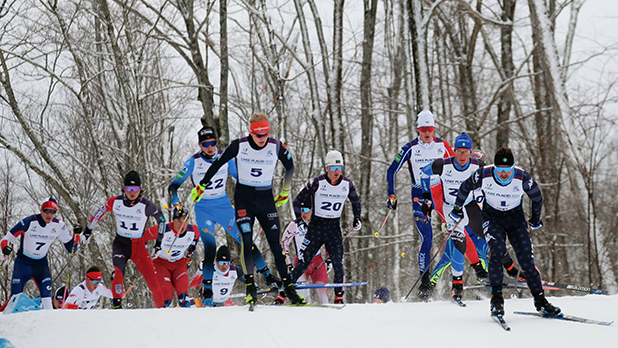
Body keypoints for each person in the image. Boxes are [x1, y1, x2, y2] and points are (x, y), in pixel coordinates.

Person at [191, 113, 304, 306]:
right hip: (244, 199)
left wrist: (285, 190)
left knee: (276, 246)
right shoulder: (238, 145)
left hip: (266, 199)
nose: (262, 138)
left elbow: (290, 166)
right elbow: (218, 163)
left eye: (265, 134)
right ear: (251, 133)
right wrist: (202, 185)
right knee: (246, 241)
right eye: (258, 134)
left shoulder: (275, 146)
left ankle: (289, 289)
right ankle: (251, 288)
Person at [169, 126, 278, 307]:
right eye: (205, 144)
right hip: (203, 209)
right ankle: (208, 292)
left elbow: (241, 177)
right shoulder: (193, 162)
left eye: (212, 143)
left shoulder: (225, 157)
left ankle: (267, 276)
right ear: (200, 145)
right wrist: (177, 204)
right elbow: (173, 187)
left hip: (223, 206)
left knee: (246, 240)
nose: (210, 147)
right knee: (210, 248)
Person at [452, 147, 561, 318]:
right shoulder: (484, 174)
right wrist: (457, 208)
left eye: (507, 170)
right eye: (500, 170)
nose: (503, 174)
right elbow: (465, 187)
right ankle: (496, 301)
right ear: (494, 167)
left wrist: (535, 219)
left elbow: (537, 197)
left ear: (513, 167)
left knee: (526, 261)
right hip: (492, 217)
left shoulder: (521, 176)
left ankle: (541, 302)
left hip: (515, 219)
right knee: (496, 251)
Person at [386, 110, 454, 300]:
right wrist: (391, 194)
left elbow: (459, 164)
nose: (427, 132)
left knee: (458, 232)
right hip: (420, 195)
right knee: (427, 237)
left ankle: (459, 280)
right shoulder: (410, 147)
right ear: (418, 129)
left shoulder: (443, 145)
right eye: (423, 129)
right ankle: (425, 284)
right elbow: (391, 170)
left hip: (440, 194)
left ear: (434, 129)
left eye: (430, 128)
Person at [420, 133, 487, 302]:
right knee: (450, 255)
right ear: (455, 151)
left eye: (468, 153)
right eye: (460, 151)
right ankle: (444, 287)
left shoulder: (480, 170)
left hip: (471, 216)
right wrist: (437, 212)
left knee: (485, 247)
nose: (464, 157)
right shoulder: (444, 167)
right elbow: (434, 193)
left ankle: (483, 283)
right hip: (453, 214)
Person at [83, 171, 165, 309]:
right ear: (124, 189)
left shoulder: (146, 205)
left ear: (140, 190)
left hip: (138, 247)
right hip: (121, 243)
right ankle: (117, 307)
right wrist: (88, 230)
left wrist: (158, 244)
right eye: (128, 189)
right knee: (118, 274)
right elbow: (99, 212)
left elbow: (161, 220)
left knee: (153, 282)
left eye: (135, 189)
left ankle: (162, 311)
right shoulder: (116, 202)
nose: (132, 192)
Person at [290, 150, 362, 304]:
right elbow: (297, 201)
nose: (337, 172)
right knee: (303, 261)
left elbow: (355, 202)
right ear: (327, 167)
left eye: (339, 168)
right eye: (333, 168)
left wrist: (357, 218)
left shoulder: (347, 184)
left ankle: (338, 297)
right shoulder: (317, 183)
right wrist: (299, 221)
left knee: (338, 262)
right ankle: (287, 290)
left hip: (333, 228)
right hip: (316, 228)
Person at [0, 198, 80, 310]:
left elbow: (71, 248)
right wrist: (5, 248)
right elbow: (6, 239)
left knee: (47, 300)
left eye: (53, 212)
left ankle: (50, 326)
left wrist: (76, 235)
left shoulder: (59, 225)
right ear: (41, 210)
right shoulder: (29, 222)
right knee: (14, 300)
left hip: (41, 266)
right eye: (47, 210)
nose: (49, 214)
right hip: (23, 264)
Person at [141, 206, 200, 307]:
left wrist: (189, 256)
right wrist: (146, 257)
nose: (182, 225)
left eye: (185, 221)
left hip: (179, 264)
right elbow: (144, 237)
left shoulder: (193, 231)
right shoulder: (164, 229)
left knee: (184, 298)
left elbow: (196, 238)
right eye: (179, 222)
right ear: (173, 220)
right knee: (166, 296)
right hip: (161, 264)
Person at [275, 197, 328, 305]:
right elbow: (284, 244)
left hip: (318, 263)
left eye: (306, 209)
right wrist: (288, 263)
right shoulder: (294, 225)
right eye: (301, 209)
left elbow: (329, 243)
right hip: (301, 263)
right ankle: (282, 300)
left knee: (323, 298)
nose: (303, 212)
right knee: (300, 296)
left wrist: (329, 260)